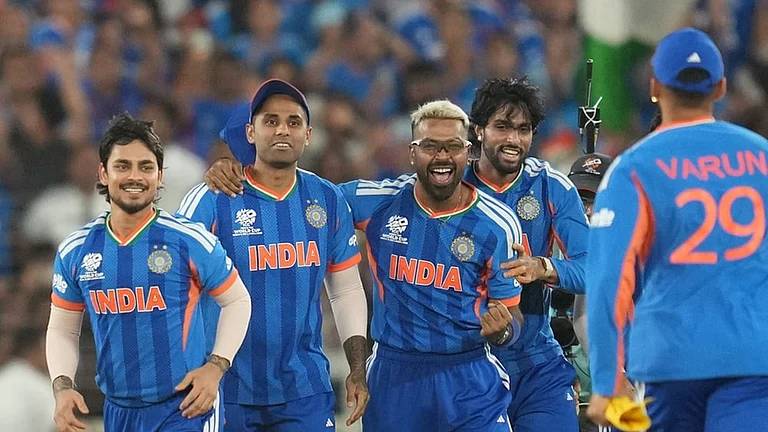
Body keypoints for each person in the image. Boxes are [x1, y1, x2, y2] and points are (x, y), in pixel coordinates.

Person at [586, 27, 768, 432]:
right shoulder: (763, 156)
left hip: (670, 362)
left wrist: (605, 380)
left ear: (654, 88)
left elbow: (608, 279)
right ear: (720, 87)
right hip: (755, 358)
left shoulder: (634, 168)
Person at [176, 79, 370, 431]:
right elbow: (177, 290)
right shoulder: (211, 199)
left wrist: (358, 367)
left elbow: (345, 291)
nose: (283, 129)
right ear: (250, 132)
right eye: (271, 121)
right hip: (224, 385)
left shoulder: (327, 199)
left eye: (293, 122)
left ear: (308, 135)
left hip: (304, 388)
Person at [46, 113, 252, 432]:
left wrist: (216, 367)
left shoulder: (189, 240)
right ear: (103, 173)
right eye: (122, 166)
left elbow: (238, 301)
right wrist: (62, 387)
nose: (134, 176)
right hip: (119, 411)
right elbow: (62, 328)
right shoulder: (76, 250)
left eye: (145, 167)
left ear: (159, 177)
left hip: (186, 407)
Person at [339, 99, 524, 431]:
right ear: (412, 153)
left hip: (469, 377)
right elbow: (308, 196)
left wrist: (504, 331)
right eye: (430, 146)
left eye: (452, 146)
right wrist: (239, 170)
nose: (441, 156)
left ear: (468, 153)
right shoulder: (378, 202)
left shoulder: (498, 223)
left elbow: (512, 314)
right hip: (394, 375)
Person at [466, 77, 589, 432]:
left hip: (537, 364)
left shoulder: (551, 186)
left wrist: (544, 267)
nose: (513, 140)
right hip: (470, 364)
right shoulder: (453, 188)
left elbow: (595, 267)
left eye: (523, 129)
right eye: (502, 127)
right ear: (478, 130)